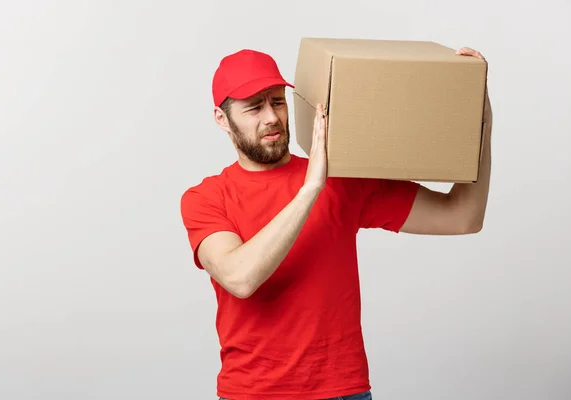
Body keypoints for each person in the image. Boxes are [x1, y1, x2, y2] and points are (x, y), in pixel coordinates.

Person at [180, 46, 492, 400]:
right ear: (222, 118)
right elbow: (240, 277)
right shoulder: (206, 198)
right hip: (252, 394)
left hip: (343, 392)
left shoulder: (342, 178)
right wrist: (311, 187)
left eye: (277, 101)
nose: (271, 117)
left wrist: (481, 119)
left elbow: (462, 216)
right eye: (254, 107)